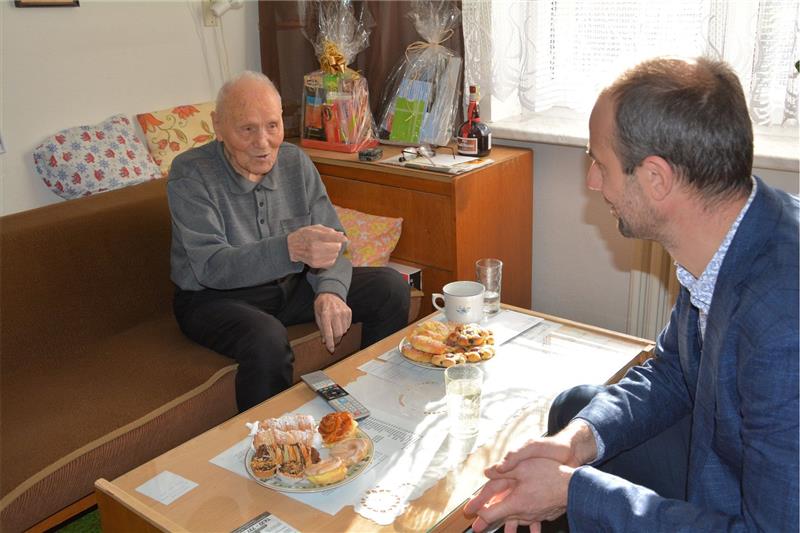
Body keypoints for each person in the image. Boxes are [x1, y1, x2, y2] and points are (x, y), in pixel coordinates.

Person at [464, 57, 798, 531]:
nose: (592, 181)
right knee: (575, 410)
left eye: (600, 164)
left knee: (580, 481)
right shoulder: (730, 234)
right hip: (731, 453)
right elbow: (673, 371)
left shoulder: (783, 323)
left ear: (656, 178)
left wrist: (575, 491)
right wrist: (577, 442)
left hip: (760, 508)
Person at [167, 71, 410, 412]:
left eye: (272, 126)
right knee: (266, 338)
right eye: (247, 129)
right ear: (218, 126)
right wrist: (290, 249)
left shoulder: (295, 161)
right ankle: (272, 437)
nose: (263, 142)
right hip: (214, 298)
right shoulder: (191, 173)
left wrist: (329, 290)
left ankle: (376, 403)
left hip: (289, 286)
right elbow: (211, 266)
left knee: (390, 287)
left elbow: (334, 242)